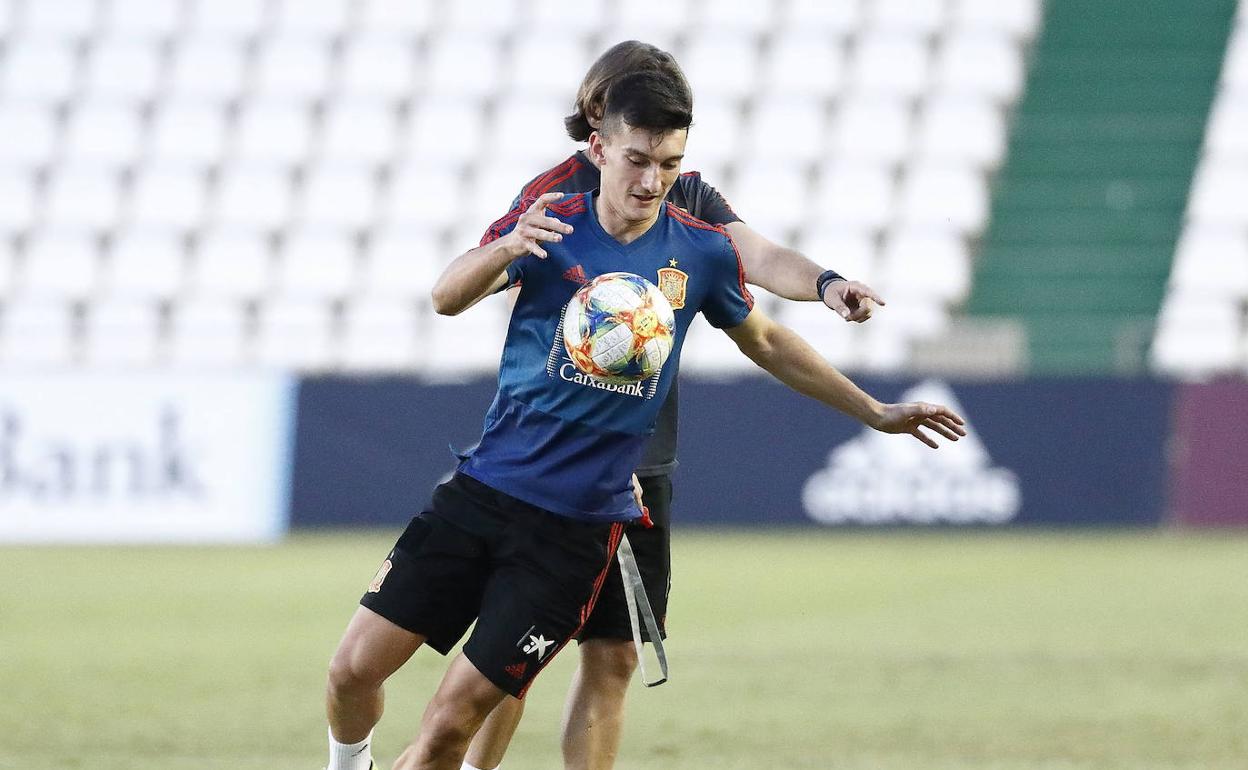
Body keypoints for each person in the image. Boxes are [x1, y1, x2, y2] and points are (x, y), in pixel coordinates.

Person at [323, 68, 965, 770]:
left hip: (573, 535)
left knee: (451, 727)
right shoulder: (548, 219)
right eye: (638, 160)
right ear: (598, 148)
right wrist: (505, 248)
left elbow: (770, 342)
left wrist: (873, 411)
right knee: (351, 670)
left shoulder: (700, 251)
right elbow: (445, 299)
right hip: (481, 495)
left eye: (669, 165)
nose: (652, 180)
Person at [464, 41, 885, 770]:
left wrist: (825, 282)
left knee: (615, 655)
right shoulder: (554, 202)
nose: (654, 171)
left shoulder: (681, 193)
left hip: (641, 468)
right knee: (512, 658)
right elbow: (490, 289)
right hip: (553, 468)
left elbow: (757, 254)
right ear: (600, 119)